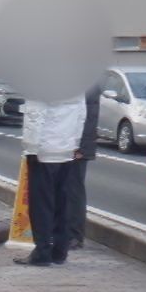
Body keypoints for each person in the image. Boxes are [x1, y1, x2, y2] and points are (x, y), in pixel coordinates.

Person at [15, 88, 87, 267]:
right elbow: (81, 115)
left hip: (44, 151)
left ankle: (42, 252)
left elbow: (35, 116)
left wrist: (31, 148)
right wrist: (75, 143)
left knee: (41, 205)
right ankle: (60, 251)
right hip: (66, 149)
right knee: (62, 203)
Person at [62, 84, 99, 250]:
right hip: (61, 143)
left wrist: (81, 147)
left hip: (77, 146)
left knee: (73, 190)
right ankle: (61, 231)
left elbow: (90, 116)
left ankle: (75, 235)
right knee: (61, 189)